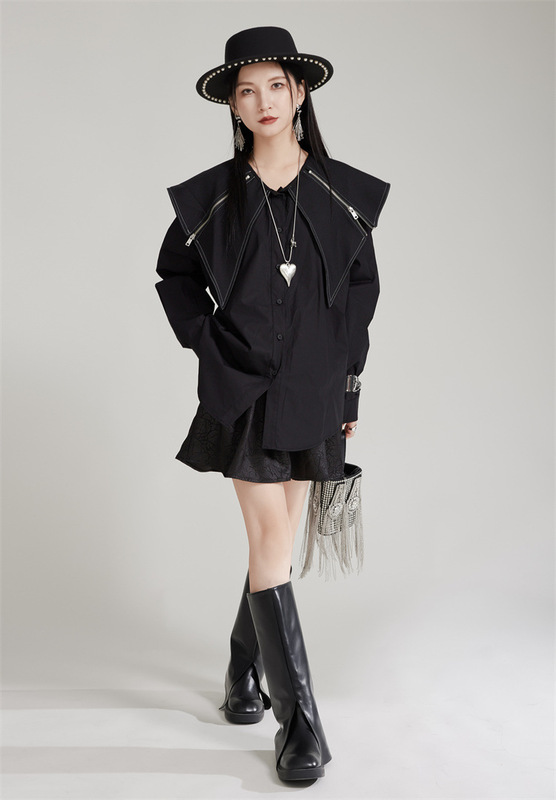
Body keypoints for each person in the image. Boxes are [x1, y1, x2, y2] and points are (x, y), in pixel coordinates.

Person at [155, 26, 390, 782]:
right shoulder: (212, 199)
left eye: (276, 86)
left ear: (300, 93)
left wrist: (348, 385)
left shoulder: (341, 194)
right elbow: (174, 277)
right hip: (244, 390)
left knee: (277, 549)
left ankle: (240, 671)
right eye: (246, 90)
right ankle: (300, 727)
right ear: (233, 103)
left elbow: (360, 295)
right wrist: (209, 342)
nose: (263, 102)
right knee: (269, 541)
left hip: (314, 389)